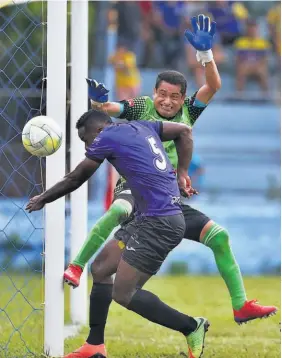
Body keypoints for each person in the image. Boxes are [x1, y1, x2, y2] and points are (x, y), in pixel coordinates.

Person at [65, 14, 277, 330]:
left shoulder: (188, 114)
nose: (166, 100)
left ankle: (240, 306)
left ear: (182, 99)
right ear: (154, 92)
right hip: (134, 190)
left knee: (219, 238)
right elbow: (112, 109)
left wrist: (205, 56)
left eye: (174, 96)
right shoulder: (142, 107)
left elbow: (214, 85)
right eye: (161, 94)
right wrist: (100, 102)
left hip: (167, 202)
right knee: (119, 213)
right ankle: (76, 266)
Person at [26, 109, 209, 358]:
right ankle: (94, 346)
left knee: (124, 294)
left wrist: (42, 198)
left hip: (160, 224)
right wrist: (182, 172)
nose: (88, 147)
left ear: (99, 130)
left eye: (86, 140)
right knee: (100, 268)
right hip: (147, 217)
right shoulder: (142, 126)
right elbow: (184, 132)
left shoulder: (106, 137)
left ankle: (192, 326)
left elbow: (76, 178)